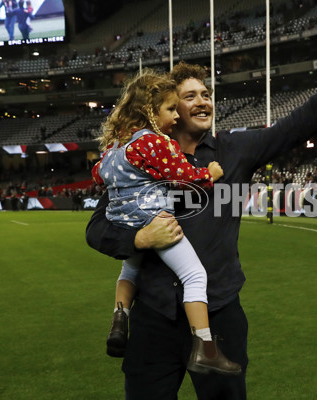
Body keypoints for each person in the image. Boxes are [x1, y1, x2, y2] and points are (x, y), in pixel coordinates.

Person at [86, 30, 317, 400]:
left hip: (219, 313)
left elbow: (297, 125)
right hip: (154, 318)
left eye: (206, 95)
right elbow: (97, 228)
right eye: (189, 96)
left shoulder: (235, 151)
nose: (202, 102)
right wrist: (138, 239)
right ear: (170, 109)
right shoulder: (141, 157)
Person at [91, 70, 241, 375]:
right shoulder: (152, 143)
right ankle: (205, 348)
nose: (176, 117)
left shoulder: (116, 147)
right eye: (171, 109)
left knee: (130, 269)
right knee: (195, 276)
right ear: (150, 110)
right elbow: (184, 177)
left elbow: (99, 175)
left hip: (125, 221)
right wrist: (209, 175)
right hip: (155, 219)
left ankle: (120, 319)